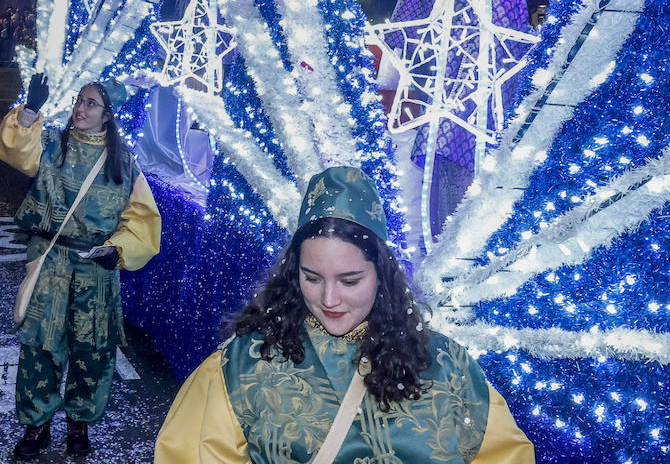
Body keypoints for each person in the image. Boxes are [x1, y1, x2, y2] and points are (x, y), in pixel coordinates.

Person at [154, 166, 535, 464]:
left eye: (350, 280)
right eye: (312, 278)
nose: (330, 298)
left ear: (382, 275)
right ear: (293, 272)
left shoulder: (446, 364)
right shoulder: (243, 364)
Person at [0, 74, 162, 459]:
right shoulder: (52, 144)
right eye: (78, 101)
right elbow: (13, 150)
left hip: (95, 271)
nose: (80, 109)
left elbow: (144, 220)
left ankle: (78, 425)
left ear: (107, 116)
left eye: (90, 104)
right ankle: (37, 427)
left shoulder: (123, 162)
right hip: (51, 262)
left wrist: (117, 250)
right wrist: (30, 110)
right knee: (39, 347)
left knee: (93, 351)